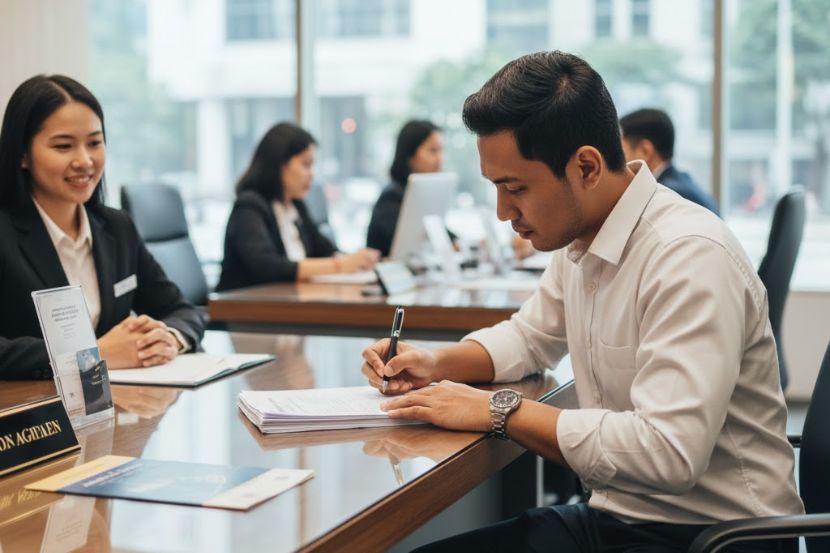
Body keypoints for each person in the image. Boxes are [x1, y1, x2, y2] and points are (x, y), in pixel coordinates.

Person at [361, 52, 801, 552]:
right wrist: (437, 361)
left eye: (515, 188)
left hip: (715, 537)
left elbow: (668, 453)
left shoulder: (687, 255)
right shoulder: (582, 240)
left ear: (586, 166)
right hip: (622, 517)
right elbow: (530, 337)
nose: (504, 212)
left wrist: (495, 410)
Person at [0, 75, 205, 380]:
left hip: (111, 412)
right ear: (23, 155)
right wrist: (92, 354)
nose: (84, 160)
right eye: (63, 146)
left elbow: (181, 310)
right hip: (30, 416)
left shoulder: (116, 228)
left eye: (94, 143)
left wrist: (169, 338)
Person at [216, 122, 378, 290]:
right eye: (306, 165)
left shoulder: (295, 206)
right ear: (279, 164)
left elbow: (325, 250)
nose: (312, 174)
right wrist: (340, 265)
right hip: (246, 308)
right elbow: (266, 267)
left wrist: (359, 261)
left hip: (290, 302)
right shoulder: (249, 206)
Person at [620, 108, 720, 215]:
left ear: (645, 151)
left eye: (621, 150)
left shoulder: (666, 195)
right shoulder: (682, 183)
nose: (617, 158)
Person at [366, 120, 444, 257]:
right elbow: (413, 241)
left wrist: (457, 242)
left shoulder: (420, 194)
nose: (440, 159)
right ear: (410, 155)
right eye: (433, 151)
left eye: (441, 151)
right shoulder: (392, 197)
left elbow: (434, 230)